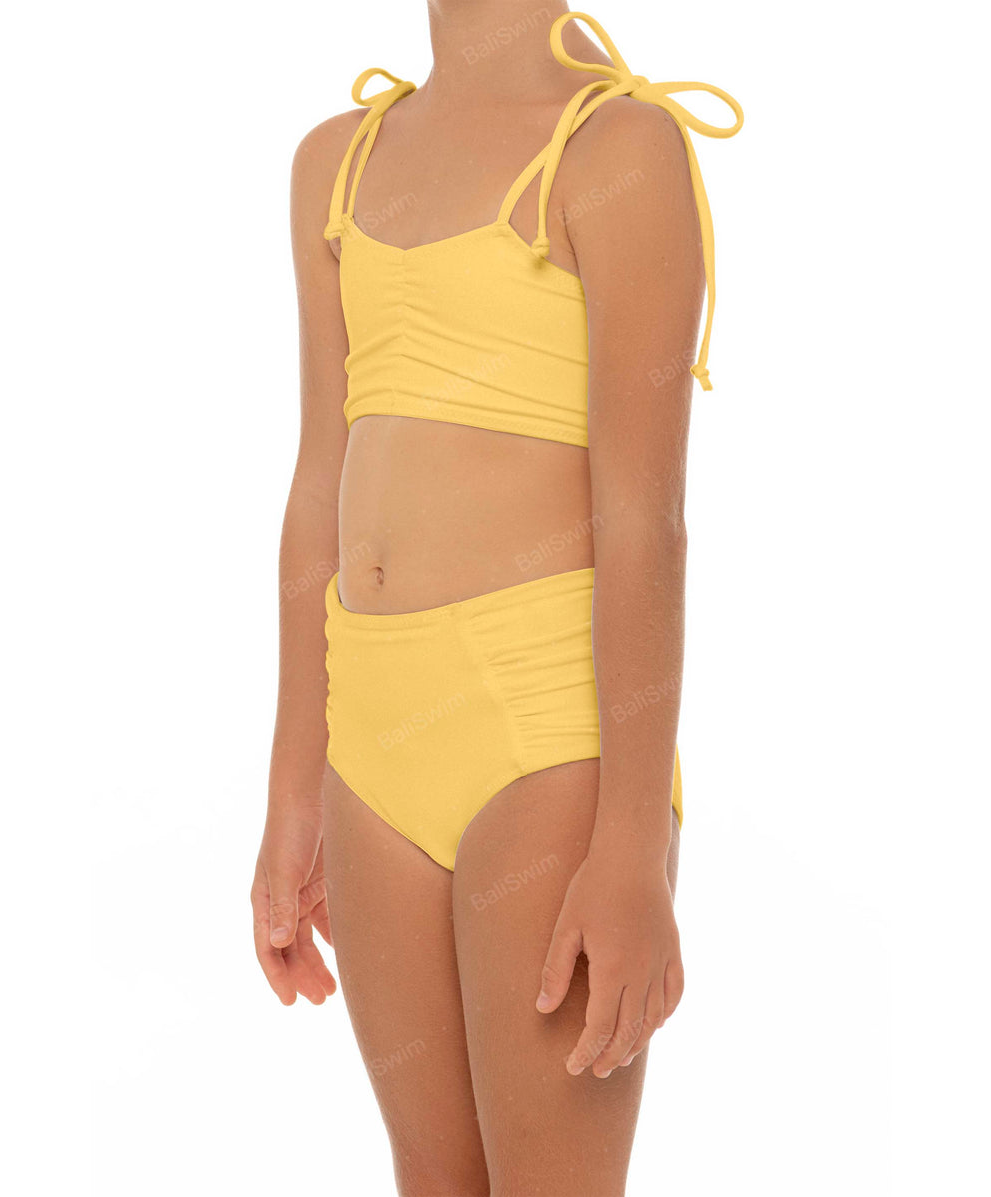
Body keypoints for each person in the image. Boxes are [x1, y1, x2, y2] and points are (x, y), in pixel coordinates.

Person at [252, 4, 741, 1193]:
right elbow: (319, 486)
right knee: (433, 1177)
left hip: (543, 731)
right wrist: (293, 791)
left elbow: (644, 517)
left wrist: (632, 844)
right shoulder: (336, 164)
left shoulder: (614, 148)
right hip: (373, 740)